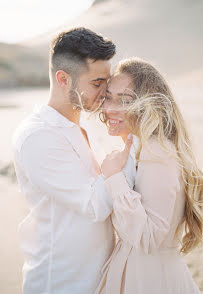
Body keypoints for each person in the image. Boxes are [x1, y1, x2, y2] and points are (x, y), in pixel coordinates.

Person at [12, 27, 135, 294]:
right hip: (61, 282)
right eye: (96, 83)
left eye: (107, 80)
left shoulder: (86, 124)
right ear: (63, 79)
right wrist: (136, 148)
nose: (105, 91)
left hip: (96, 279)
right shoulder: (38, 137)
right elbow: (95, 205)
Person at [96, 57, 203, 294]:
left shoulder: (157, 152)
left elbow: (149, 237)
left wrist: (115, 179)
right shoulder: (142, 148)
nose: (109, 108)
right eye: (108, 97)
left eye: (124, 100)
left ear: (148, 105)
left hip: (149, 280)